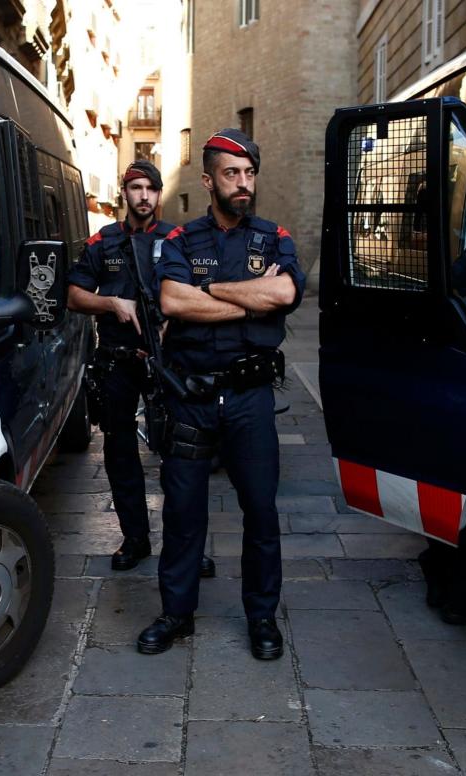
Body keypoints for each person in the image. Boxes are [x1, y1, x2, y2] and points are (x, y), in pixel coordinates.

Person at [136, 129, 305, 659]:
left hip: (251, 398)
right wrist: (249, 302)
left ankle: (262, 618)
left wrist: (206, 290)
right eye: (232, 174)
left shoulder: (275, 238)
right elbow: (173, 302)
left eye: (249, 173)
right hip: (191, 396)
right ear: (208, 180)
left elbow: (284, 292)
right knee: (183, 513)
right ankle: (175, 614)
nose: (243, 183)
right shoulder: (183, 241)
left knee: (261, 512)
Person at [68, 160, 216, 577]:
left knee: (179, 456)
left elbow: (199, 292)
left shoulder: (178, 240)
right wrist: (112, 303)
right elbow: (74, 295)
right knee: (120, 453)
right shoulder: (104, 241)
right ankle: (135, 537)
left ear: (159, 194)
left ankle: (186, 545)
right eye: (136, 188)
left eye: (151, 188)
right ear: (125, 192)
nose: (144, 196)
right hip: (116, 361)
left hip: (167, 360)